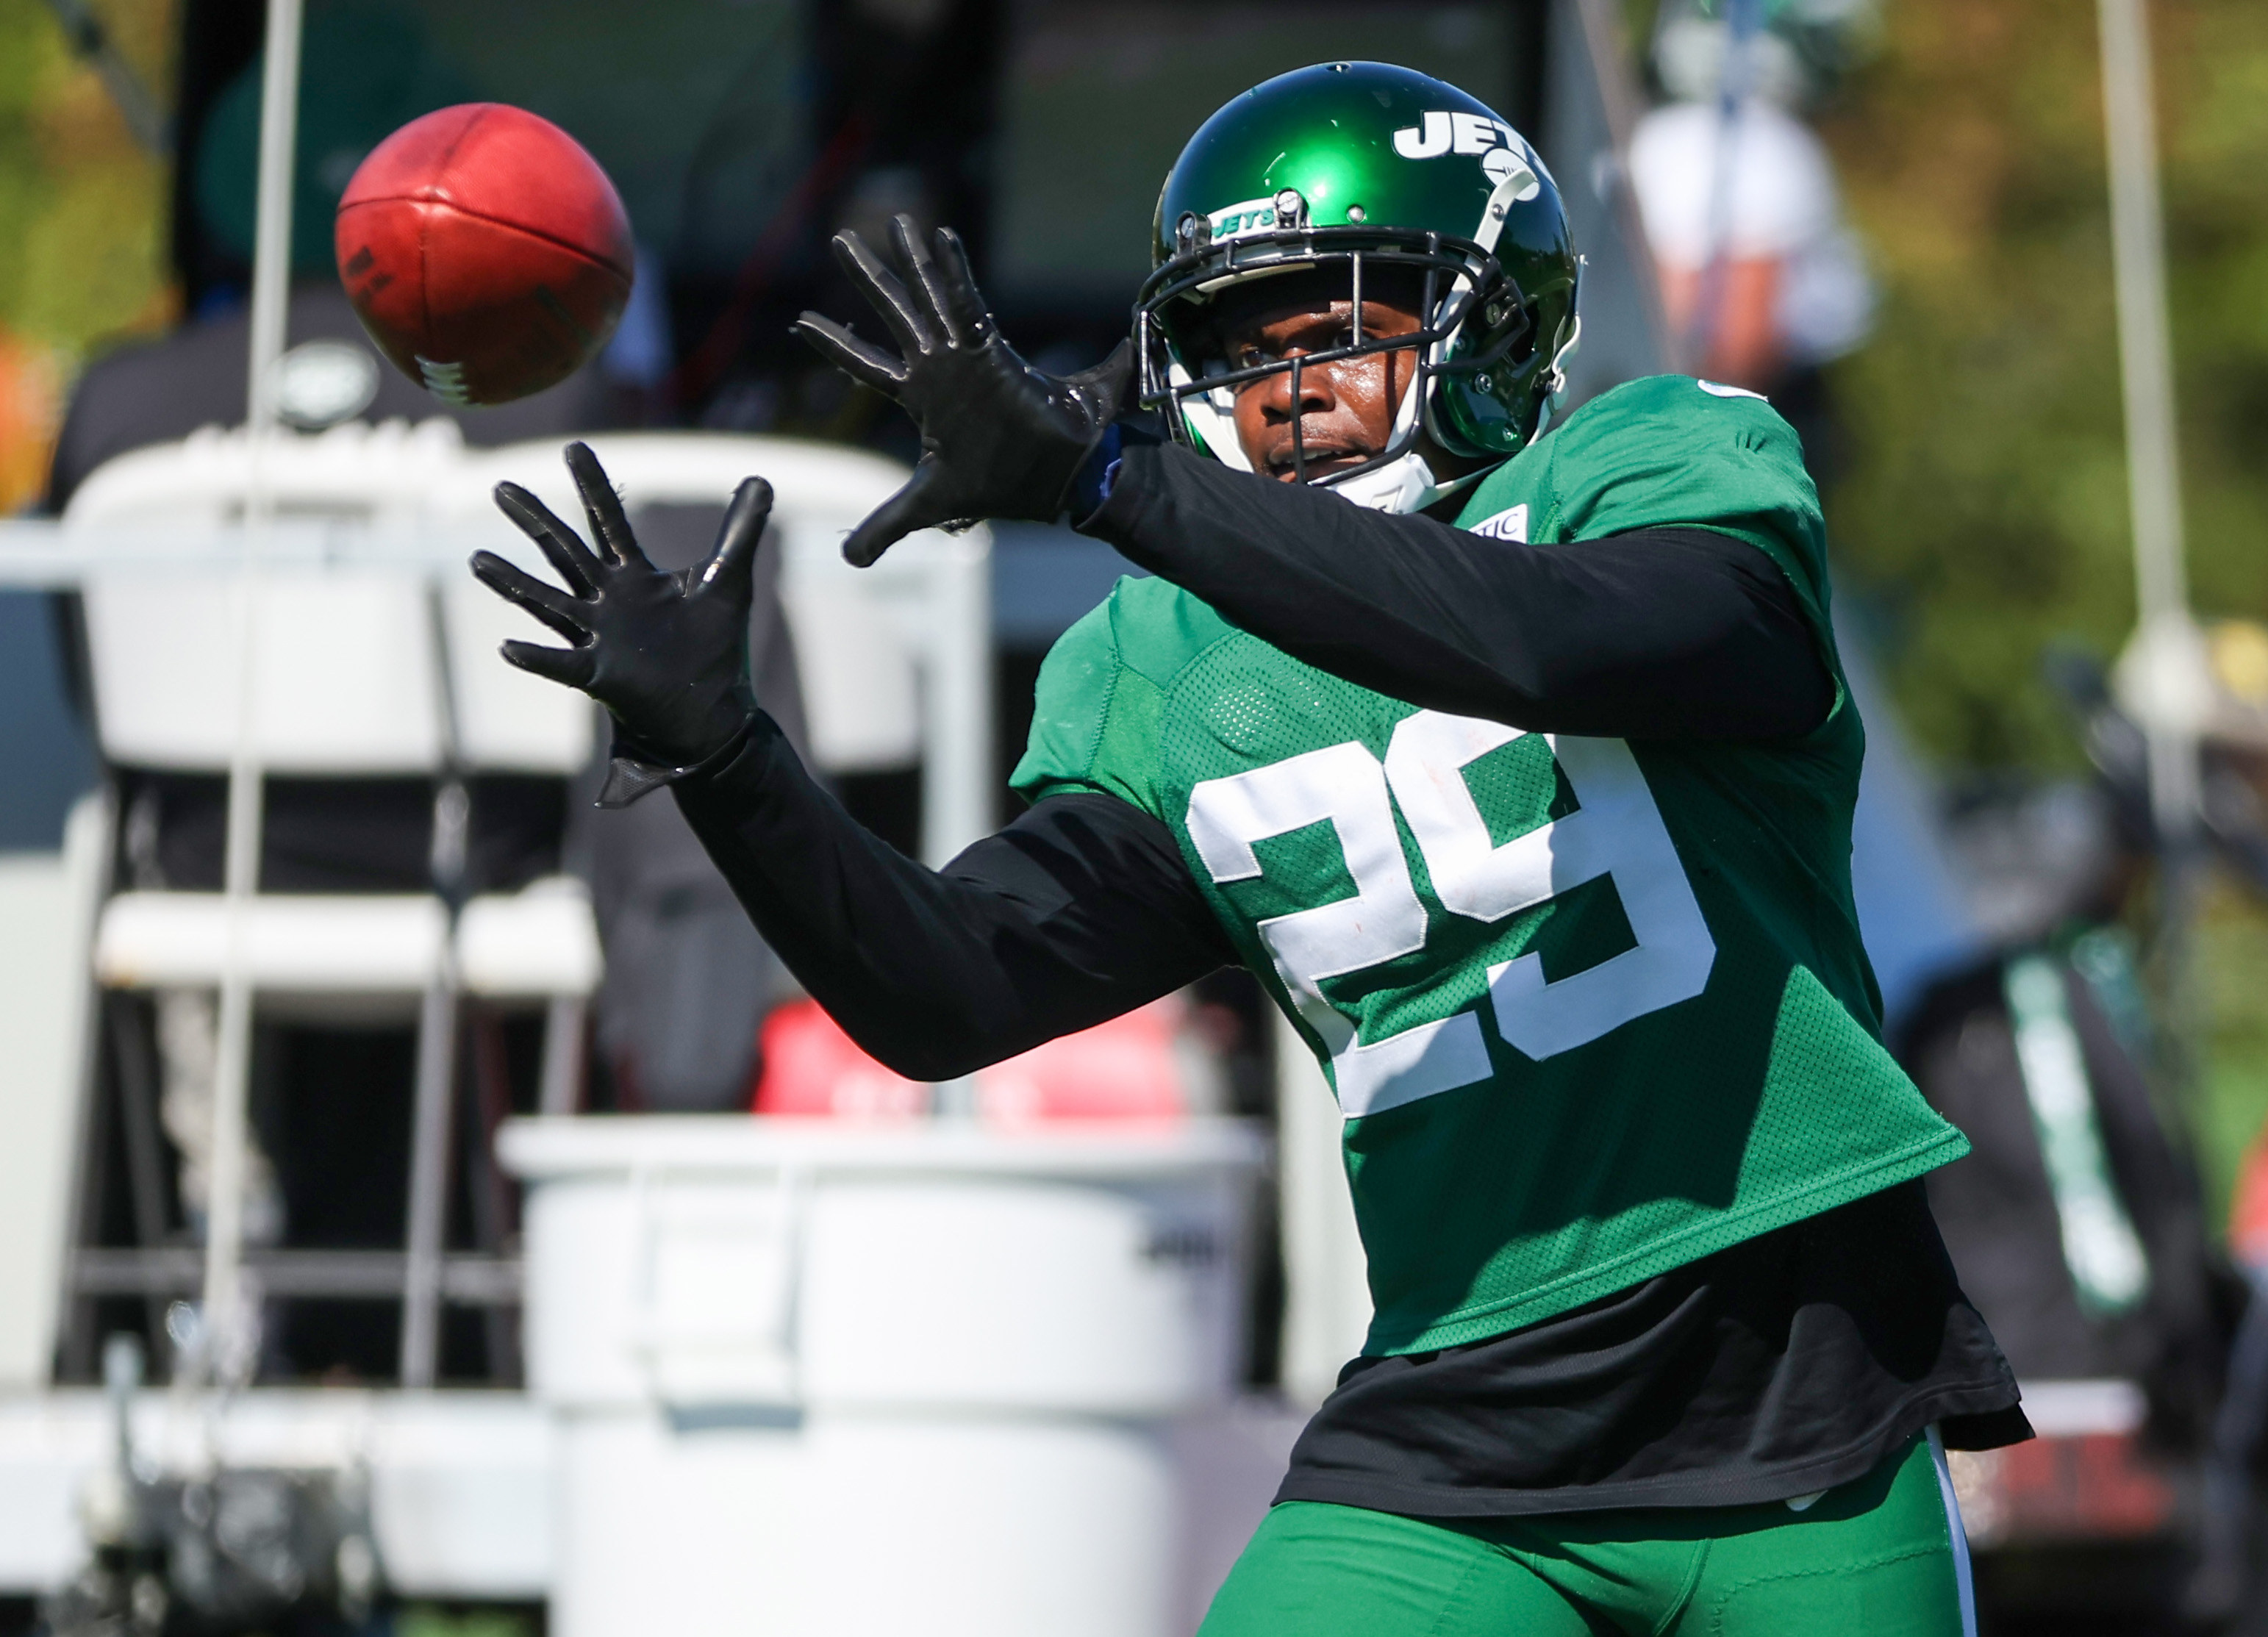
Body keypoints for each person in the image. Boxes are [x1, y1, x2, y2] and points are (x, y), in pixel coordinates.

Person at [471, 61, 2025, 1637]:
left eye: (1341, 324)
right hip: (1458, 1436)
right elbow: (949, 988)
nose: (1287, 384)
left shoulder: (1652, 464)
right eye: (1240, 340)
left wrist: (1112, 484)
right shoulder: (1165, 658)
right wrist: (728, 758)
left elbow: (1556, 645)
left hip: (1805, 1424)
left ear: (1494, 318)